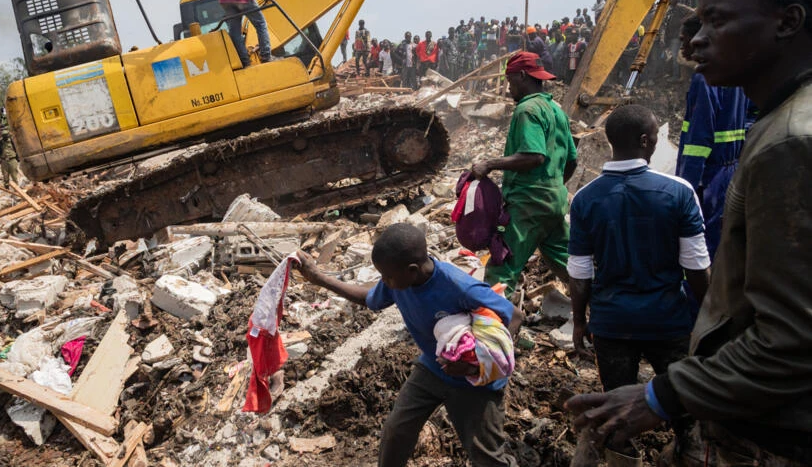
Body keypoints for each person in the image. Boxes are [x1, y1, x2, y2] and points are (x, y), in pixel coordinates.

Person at [565, 0, 812, 466]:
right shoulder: (767, 126)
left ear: (787, 22)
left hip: (780, 429)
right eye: (695, 23)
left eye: (717, 21)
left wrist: (659, 395)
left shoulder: (790, 142)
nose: (694, 40)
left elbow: (791, 336)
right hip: (682, 334)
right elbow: (700, 269)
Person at [295, 223, 518, 467]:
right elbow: (369, 299)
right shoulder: (399, 281)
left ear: (412, 270)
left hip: (475, 384)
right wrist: (319, 278)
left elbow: (514, 315)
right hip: (432, 369)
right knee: (396, 431)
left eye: (387, 277)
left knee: (487, 456)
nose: (384, 282)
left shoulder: (457, 286)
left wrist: (478, 363)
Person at [568, 105, 710, 465]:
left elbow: (580, 274)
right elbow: (696, 269)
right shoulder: (678, 192)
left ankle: (621, 457)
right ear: (645, 141)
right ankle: (686, 454)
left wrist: (581, 321)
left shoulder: (585, 199)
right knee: (682, 403)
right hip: (668, 321)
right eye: (656, 138)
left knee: (615, 410)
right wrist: (707, 318)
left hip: (612, 324)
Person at [473, 52, 575, 298]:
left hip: (528, 205)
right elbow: (571, 160)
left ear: (521, 76)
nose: (509, 89)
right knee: (571, 265)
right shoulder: (555, 110)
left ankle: (492, 331)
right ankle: (605, 308)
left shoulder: (527, 109)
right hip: (555, 202)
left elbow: (534, 155)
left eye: (510, 81)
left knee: (502, 265)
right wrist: (554, 187)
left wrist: (490, 164)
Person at [675, 15, 755, 259]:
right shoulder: (738, 72)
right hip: (730, 170)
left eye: (684, 40)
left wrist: (684, 188)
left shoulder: (704, 78)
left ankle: (696, 295)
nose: (682, 47)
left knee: (698, 245)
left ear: (699, 39)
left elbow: (698, 141)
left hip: (707, 177)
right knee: (721, 241)